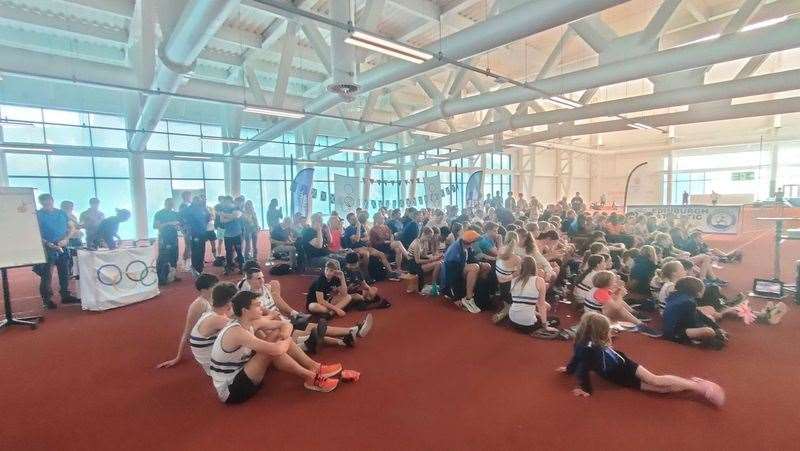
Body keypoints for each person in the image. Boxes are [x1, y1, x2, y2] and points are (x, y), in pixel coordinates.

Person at [557, 312, 725, 406]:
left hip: (624, 365)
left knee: (656, 380)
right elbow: (580, 363)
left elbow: (581, 366)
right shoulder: (583, 346)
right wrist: (574, 374)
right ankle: (692, 384)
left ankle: (698, 386)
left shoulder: (587, 344)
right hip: (616, 375)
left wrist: (583, 387)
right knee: (661, 390)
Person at [209, 291, 343, 403]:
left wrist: (284, 334)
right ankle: (310, 376)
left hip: (242, 373)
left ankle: (313, 367)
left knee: (277, 337)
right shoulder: (237, 332)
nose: (261, 308)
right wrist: (285, 338)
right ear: (245, 310)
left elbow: (286, 324)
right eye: (257, 305)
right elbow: (277, 350)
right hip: (231, 390)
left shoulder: (249, 322)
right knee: (271, 349)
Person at [157, 273, 219, 368]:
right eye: (214, 286)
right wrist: (178, 357)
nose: (218, 288)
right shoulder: (198, 304)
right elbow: (187, 331)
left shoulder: (215, 299)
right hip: (207, 343)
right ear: (204, 290)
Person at [34, 193, 80, 309]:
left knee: (64, 271)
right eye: (44, 204)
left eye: (49, 203)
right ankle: (47, 299)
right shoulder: (38, 215)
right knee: (47, 274)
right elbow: (35, 233)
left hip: (62, 246)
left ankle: (65, 295)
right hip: (47, 247)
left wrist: (67, 239)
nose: (47, 205)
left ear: (52, 201)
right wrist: (47, 243)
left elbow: (72, 227)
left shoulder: (61, 213)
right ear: (41, 203)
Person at [585, 271, 661, 337]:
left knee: (616, 301)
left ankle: (637, 321)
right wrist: (620, 295)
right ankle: (640, 325)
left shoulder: (600, 289)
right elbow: (616, 307)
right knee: (620, 308)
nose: (615, 283)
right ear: (607, 283)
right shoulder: (601, 292)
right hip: (594, 316)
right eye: (613, 281)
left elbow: (613, 300)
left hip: (594, 312)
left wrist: (617, 292)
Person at [188, 281, 237, 375]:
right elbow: (248, 327)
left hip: (210, 364)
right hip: (218, 369)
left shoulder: (210, 313)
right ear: (230, 302)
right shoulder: (218, 319)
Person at [507, 256, 559, 339]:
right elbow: (541, 306)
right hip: (528, 325)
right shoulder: (539, 280)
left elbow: (522, 302)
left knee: (533, 311)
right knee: (556, 320)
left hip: (513, 321)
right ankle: (539, 330)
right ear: (534, 267)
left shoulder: (514, 280)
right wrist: (545, 326)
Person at [440, 230, 490, 314]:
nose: (476, 243)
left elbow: (472, 259)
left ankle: (479, 292)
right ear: (470, 242)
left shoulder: (467, 247)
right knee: (474, 267)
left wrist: (481, 264)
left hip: (461, 270)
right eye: (475, 241)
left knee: (487, 266)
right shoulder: (454, 251)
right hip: (451, 280)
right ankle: (468, 298)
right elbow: (452, 275)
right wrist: (456, 297)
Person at [492, 231, 521, 323]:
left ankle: (505, 310)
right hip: (508, 286)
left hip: (500, 283)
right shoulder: (516, 258)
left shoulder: (500, 250)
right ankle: (505, 312)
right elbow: (518, 274)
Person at [153, 198, 182, 285]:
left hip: (173, 237)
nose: (171, 205)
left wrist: (177, 226)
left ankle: (172, 274)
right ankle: (160, 277)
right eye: (169, 204)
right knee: (163, 257)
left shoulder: (175, 214)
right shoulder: (159, 213)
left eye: (172, 204)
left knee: (174, 256)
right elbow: (156, 226)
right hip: (164, 238)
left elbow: (178, 226)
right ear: (165, 204)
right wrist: (169, 223)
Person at [407, 226, 442, 293]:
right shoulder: (416, 243)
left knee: (438, 262)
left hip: (416, 262)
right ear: (423, 234)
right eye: (429, 237)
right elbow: (417, 261)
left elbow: (424, 255)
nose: (429, 239)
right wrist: (431, 260)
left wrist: (433, 258)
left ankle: (433, 283)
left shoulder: (423, 241)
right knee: (438, 264)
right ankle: (433, 284)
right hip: (412, 264)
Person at [184, 196, 211, 276]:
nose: (200, 202)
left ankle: (200, 268)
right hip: (194, 233)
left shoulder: (202, 208)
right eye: (198, 200)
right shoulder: (189, 209)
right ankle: (195, 269)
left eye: (200, 201)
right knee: (196, 251)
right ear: (194, 201)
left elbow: (208, 217)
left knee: (202, 250)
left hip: (202, 233)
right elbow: (183, 218)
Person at [218, 196, 244, 275]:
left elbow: (236, 216)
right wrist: (232, 217)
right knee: (228, 252)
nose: (225, 203)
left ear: (230, 201)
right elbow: (222, 221)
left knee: (239, 251)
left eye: (227, 202)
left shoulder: (236, 208)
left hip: (237, 234)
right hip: (227, 235)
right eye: (225, 202)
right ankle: (228, 269)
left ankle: (241, 268)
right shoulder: (223, 210)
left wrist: (225, 215)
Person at [177, 191, 194, 265]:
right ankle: (187, 262)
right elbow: (182, 217)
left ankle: (185, 260)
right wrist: (183, 227)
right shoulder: (183, 206)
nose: (190, 197)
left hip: (187, 227)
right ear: (186, 196)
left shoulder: (187, 205)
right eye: (189, 196)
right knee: (188, 244)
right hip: (186, 228)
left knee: (188, 244)